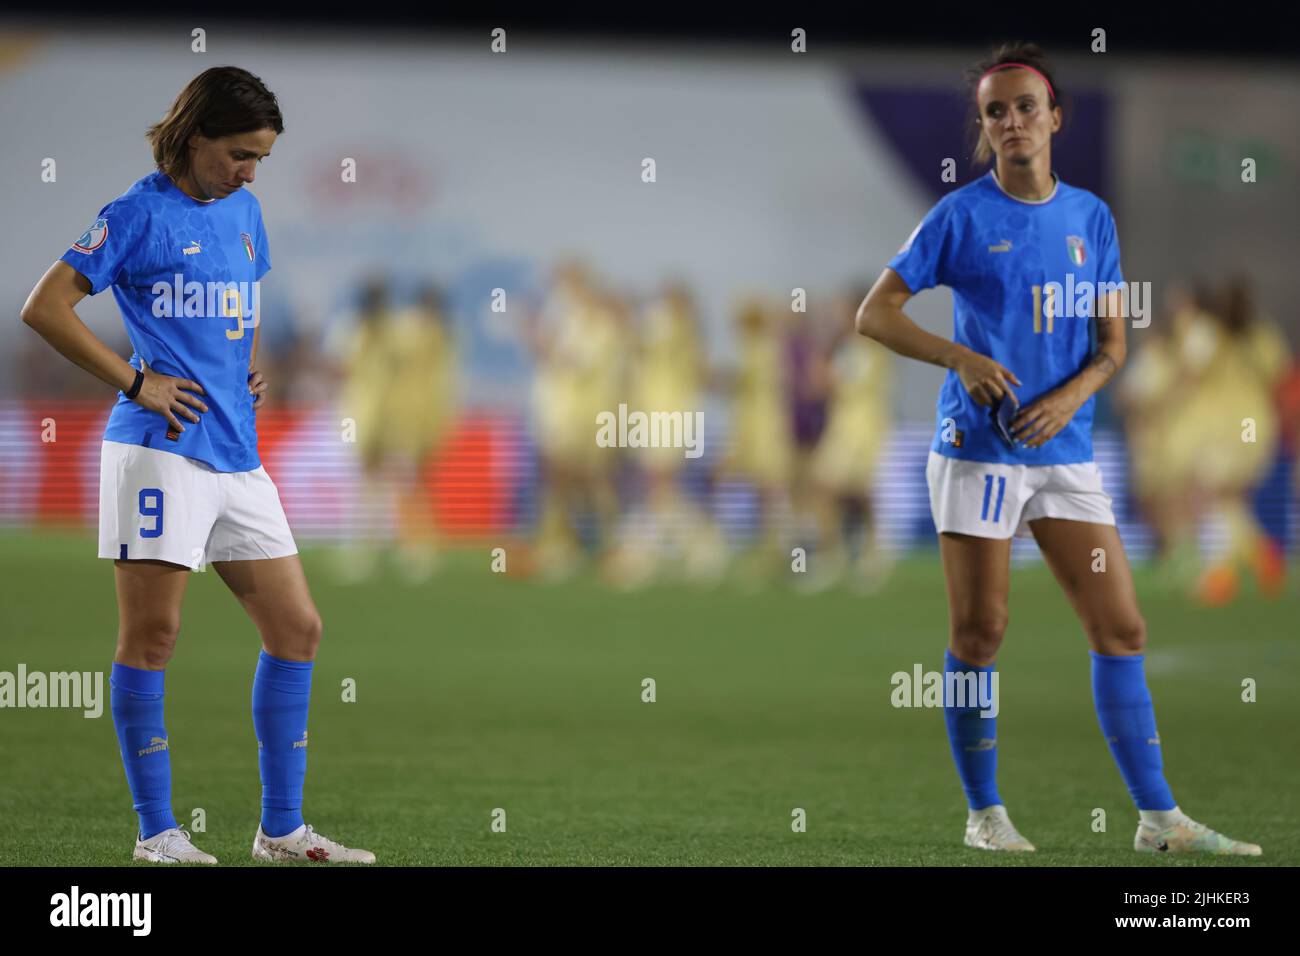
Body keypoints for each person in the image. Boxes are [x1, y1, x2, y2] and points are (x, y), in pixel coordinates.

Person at [855, 43, 1260, 855]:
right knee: (981, 634)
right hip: (977, 451)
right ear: (984, 129)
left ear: (1055, 118)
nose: (1012, 121)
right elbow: (876, 312)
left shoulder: (1092, 218)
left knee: (1122, 627)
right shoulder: (960, 216)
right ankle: (985, 815)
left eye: (1025, 107)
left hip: (1066, 454)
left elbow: (1112, 347)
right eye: (995, 112)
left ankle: (1159, 822)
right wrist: (957, 358)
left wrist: (1070, 398)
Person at [20, 66, 373, 864]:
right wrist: (137, 380)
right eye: (240, 154)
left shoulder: (246, 212)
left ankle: (281, 831)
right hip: (158, 453)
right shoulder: (136, 215)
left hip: (237, 455)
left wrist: (245, 365)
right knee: (154, 637)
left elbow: (241, 307)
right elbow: (44, 307)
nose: (250, 172)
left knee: (298, 628)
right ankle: (157, 834)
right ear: (195, 136)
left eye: (261, 159)